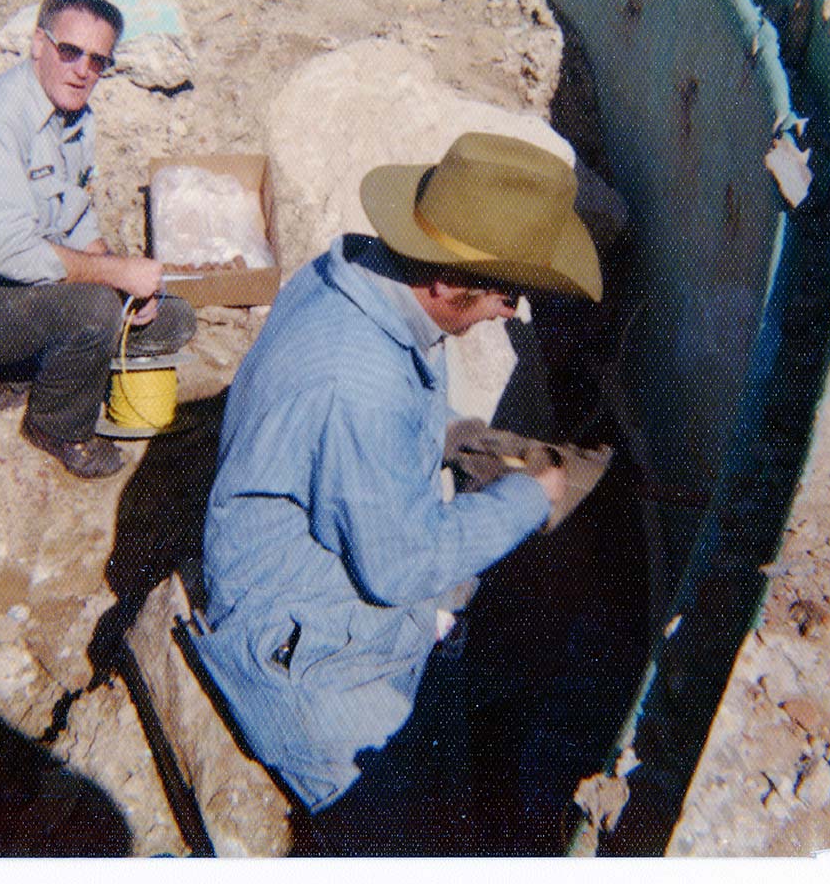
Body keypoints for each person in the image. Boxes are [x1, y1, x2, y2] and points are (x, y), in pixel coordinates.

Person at [189, 131, 605, 855]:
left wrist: (460, 436)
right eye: (509, 292)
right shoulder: (359, 379)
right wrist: (535, 495)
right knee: (426, 842)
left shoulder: (356, 277)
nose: (513, 311)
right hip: (300, 646)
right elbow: (400, 566)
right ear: (446, 283)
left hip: (327, 575)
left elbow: (373, 424)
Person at [0, 0, 195, 479]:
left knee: (174, 318)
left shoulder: (76, 119)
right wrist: (114, 275)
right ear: (39, 43)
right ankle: (57, 427)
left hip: (15, 296)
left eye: (99, 61)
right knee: (95, 309)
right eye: (70, 51)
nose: (83, 69)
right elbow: (12, 255)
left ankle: (16, 372)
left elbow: (75, 218)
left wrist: (119, 275)